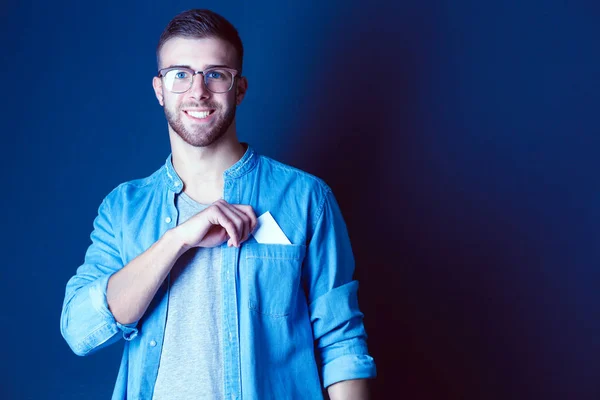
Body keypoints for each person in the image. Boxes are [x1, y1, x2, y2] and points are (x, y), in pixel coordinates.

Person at [60, 9, 376, 400]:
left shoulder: (306, 198)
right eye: (180, 74)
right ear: (160, 90)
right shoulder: (123, 209)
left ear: (239, 88)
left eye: (215, 74)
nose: (197, 91)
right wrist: (177, 240)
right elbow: (80, 329)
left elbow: (341, 342)